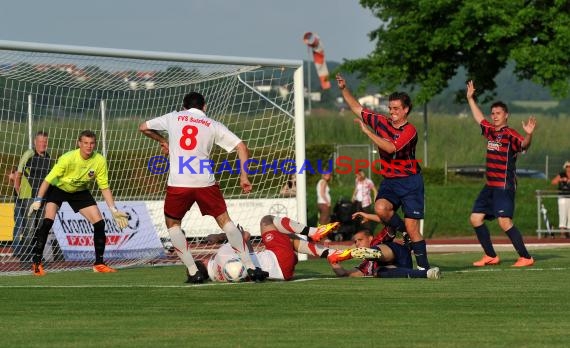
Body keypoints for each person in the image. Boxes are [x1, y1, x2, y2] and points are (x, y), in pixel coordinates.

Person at [139, 91, 266, 283]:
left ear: (184, 107)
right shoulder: (212, 124)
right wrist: (244, 176)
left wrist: (163, 141)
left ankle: (193, 271)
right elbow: (241, 146)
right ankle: (250, 267)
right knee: (225, 221)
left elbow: (144, 127)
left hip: (179, 182)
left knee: (173, 225)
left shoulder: (173, 117)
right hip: (205, 182)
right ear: (204, 106)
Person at [336, 73, 431, 271]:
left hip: (410, 182)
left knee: (414, 230)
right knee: (380, 208)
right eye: (390, 108)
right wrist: (344, 89)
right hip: (390, 181)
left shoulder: (410, 131)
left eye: (396, 108)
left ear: (406, 110)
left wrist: (368, 132)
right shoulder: (381, 121)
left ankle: (424, 269)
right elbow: (357, 108)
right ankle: (402, 230)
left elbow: (390, 148)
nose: (392, 111)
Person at [28, 130, 128, 276]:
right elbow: (48, 180)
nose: (89, 146)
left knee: (99, 224)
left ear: (95, 144)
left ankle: (99, 264)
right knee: (48, 222)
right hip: (58, 188)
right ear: (79, 143)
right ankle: (37, 263)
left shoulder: (99, 160)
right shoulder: (67, 158)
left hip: (80, 191)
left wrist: (113, 210)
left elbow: (104, 187)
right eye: (85, 143)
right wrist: (38, 199)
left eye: (92, 143)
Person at [466, 80, 536, 267]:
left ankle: (526, 257)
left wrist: (529, 134)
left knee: (504, 222)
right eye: (493, 113)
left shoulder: (511, 134)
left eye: (499, 113)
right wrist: (470, 99)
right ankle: (490, 255)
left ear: (506, 115)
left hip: (504, 186)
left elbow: (523, 145)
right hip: (490, 186)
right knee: (475, 219)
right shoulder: (490, 132)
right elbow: (479, 118)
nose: (495, 116)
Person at [203, 215, 380, 282]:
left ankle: (332, 254)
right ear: (204, 263)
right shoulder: (221, 254)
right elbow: (246, 236)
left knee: (288, 238)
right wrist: (219, 237)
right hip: (278, 259)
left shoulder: (220, 278)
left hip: (282, 273)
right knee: (267, 220)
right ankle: (315, 231)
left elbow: (246, 250)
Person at [329, 227, 441, 279]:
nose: (357, 243)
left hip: (397, 252)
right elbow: (345, 274)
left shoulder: (377, 239)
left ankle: (408, 245)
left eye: (360, 240)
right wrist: (332, 260)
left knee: (377, 248)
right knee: (378, 272)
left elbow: (390, 223)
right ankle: (427, 273)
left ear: (369, 238)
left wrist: (368, 216)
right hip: (401, 267)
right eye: (355, 241)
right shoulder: (365, 266)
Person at [11, 131, 53, 260]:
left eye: (45, 142)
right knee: (29, 229)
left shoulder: (47, 157)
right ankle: (24, 257)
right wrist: (18, 191)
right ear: (35, 142)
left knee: (39, 228)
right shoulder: (29, 154)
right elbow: (18, 172)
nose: (43, 144)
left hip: (42, 198)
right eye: (40, 141)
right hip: (28, 197)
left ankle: (35, 256)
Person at [551, 161, 570, 238]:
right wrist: (562, 180)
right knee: (562, 213)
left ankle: (568, 231)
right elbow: (553, 182)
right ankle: (562, 232)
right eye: (567, 167)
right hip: (562, 197)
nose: (569, 168)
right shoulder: (562, 174)